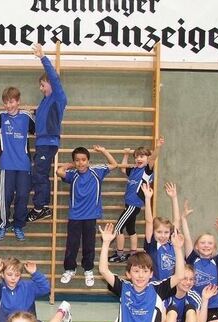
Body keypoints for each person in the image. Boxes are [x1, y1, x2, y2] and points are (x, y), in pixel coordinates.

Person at [97, 222, 185, 322]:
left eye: (145, 271)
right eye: (136, 271)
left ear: (151, 274)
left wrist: (177, 248)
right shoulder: (124, 287)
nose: (140, 275)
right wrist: (105, 243)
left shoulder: (157, 289)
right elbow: (104, 270)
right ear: (128, 274)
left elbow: (179, 276)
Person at [57, 145, 118, 286]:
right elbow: (59, 171)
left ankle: (88, 269)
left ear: (88, 161)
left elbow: (114, 164)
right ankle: (69, 269)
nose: (80, 163)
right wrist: (70, 165)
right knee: (72, 245)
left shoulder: (98, 172)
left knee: (89, 245)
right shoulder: (73, 174)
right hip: (75, 216)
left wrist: (104, 151)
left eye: (83, 160)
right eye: (77, 160)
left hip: (91, 216)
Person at [0, 87, 35, 241]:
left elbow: (38, 131)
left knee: (22, 196)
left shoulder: (26, 117)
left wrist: (37, 112)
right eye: (6, 102)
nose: (9, 105)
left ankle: (18, 225)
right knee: (5, 197)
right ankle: (3, 225)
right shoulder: (1, 116)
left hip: (23, 164)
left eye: (12, 101)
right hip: (6, 164)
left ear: (18, 101)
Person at [27, 43, 68, 223]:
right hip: (42, 142)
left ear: (50, 83)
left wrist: (43, 57)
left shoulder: (58, 97)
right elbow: (43, 116)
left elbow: (54, 77)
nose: (41, 89)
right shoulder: (44, 102)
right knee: (38, 173)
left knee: (40, 174)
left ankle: (41, 207)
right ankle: (41, 206)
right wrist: (33, 112)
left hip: (49, 142)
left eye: (43, 85)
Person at [109, 139, 164, 262]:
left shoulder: (146, 171)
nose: (139, 159)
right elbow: (123, 169)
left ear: (147, 158)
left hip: (134, 205)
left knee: (118, 228)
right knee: (131, 230)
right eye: (136, 157)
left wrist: (158, 147)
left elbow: (152, 159)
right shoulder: (134, 170)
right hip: (129, 204)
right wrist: (126, 155)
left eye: (142, 156)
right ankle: (133, 253)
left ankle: (120, 254)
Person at [143, 182, 180, 281]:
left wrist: (174, 198)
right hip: (155, 285)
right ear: (153, 232)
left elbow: (176, 220)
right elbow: (149, 221)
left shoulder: (172, 242)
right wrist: (147, 199)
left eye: (166, 232)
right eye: (159, 232)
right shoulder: (152, 244)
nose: (163, 235)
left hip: (171, 285)